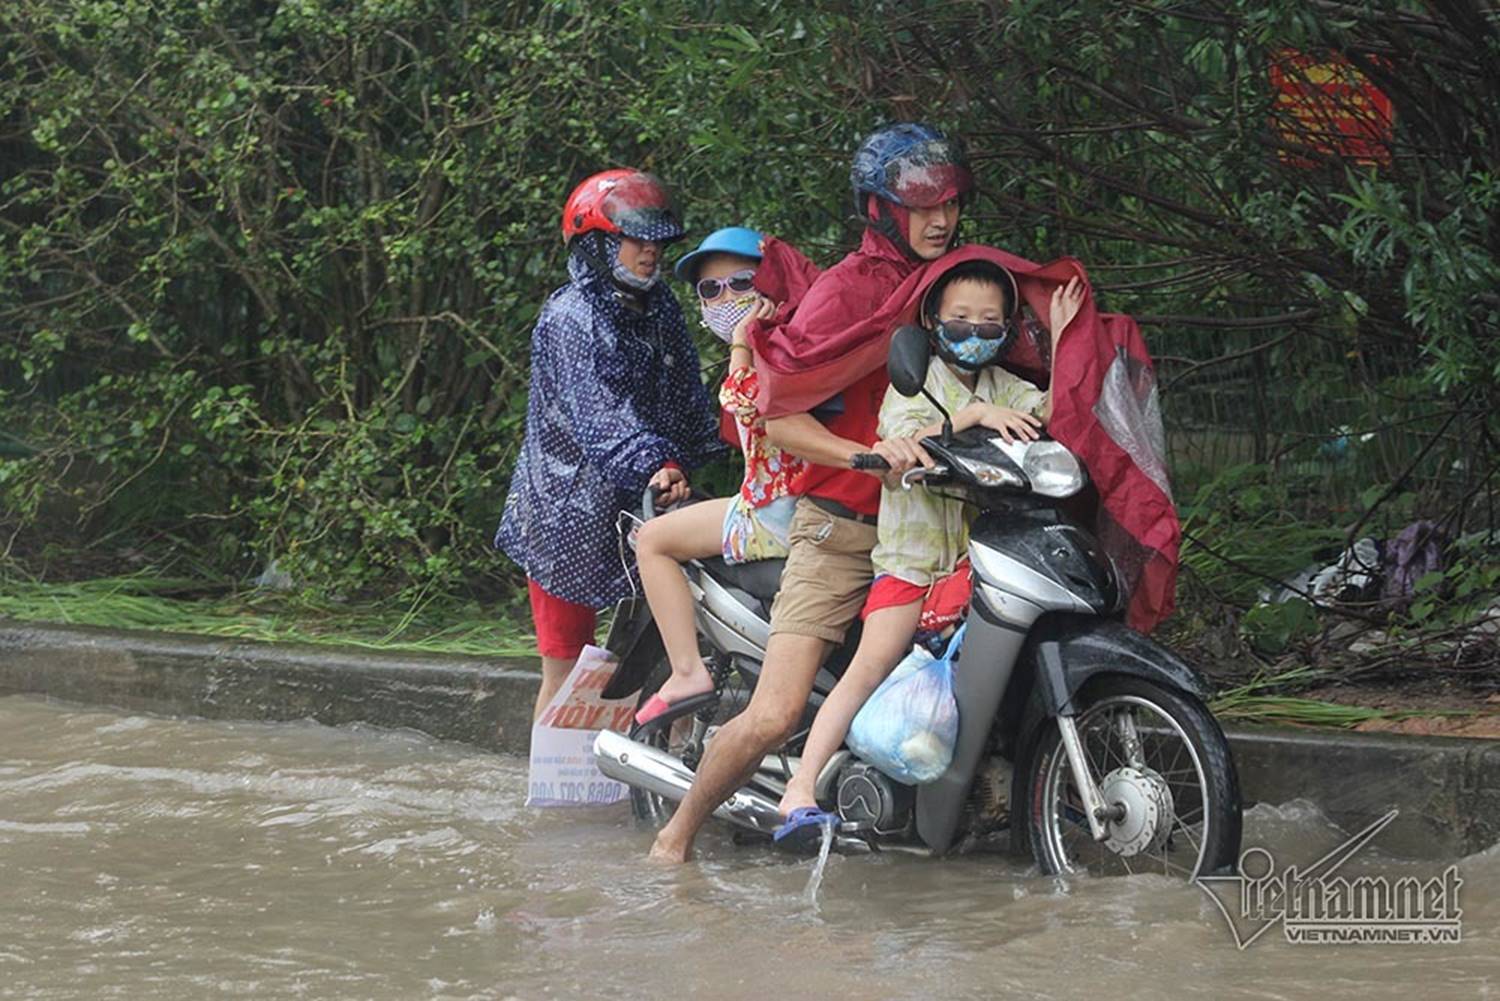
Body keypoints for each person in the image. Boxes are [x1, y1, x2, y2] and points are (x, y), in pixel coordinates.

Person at [649, 123, 973, 864]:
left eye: (951, 204)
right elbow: (777, 416)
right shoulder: (846, 292)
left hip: (937, 521)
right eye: (922, 205)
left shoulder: (952, 282)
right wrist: (864, 458)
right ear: (880, 210)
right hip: (842, 527)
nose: (941, 219)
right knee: (774, 713)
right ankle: (674, 840)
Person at [776, 257, 1084, 822]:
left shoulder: (1006, 387)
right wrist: (975, 415)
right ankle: (800, 785)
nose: (974, 332)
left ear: (1008, 329)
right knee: (872, 662)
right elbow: (904, 440)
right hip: (911, 564)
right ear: (933, 322)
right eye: (960, 319)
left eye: (989, 322)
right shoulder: (915, 384)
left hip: (976, 563)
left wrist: (1065, 343)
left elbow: (1052, 419)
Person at [495, 169, 723, 722]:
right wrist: (656, 461)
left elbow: (685, 394)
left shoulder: (660, 306)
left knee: (659, 658)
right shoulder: (570, 317)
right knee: (566, 664)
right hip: (565, 508)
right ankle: (550, 775)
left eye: (656, 242)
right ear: (597, 243)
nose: (650, 252)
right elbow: (600, 415)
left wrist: (702, 450)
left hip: (649, 497)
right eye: (635, 240)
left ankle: (659, 762)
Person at [632, 227, 808, 726]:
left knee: (652, 541)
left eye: (742, 283)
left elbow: (745, 405)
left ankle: (687, 672)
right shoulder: (804, 337)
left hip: (777, 517)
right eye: (711, 290)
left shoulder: (777, 348)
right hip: (792, 506)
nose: (727, 298)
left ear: (772, 284)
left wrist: (741, 344)